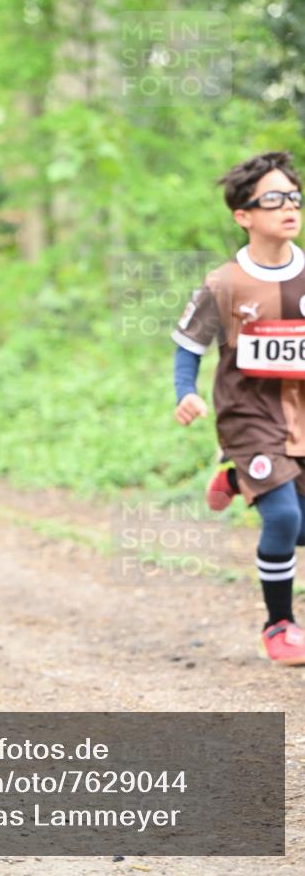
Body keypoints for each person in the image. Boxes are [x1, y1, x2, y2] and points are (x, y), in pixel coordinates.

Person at [172, 150, 305, 665]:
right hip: (248, 419)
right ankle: (279, 626)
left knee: (297, 526)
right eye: (273, 200)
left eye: (294, 197)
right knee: (283, 518)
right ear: (243, 215)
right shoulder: (224, 283)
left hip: (300, 418)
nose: (289, 207)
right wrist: (185, 391)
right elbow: (189, 344)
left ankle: (235, 479)